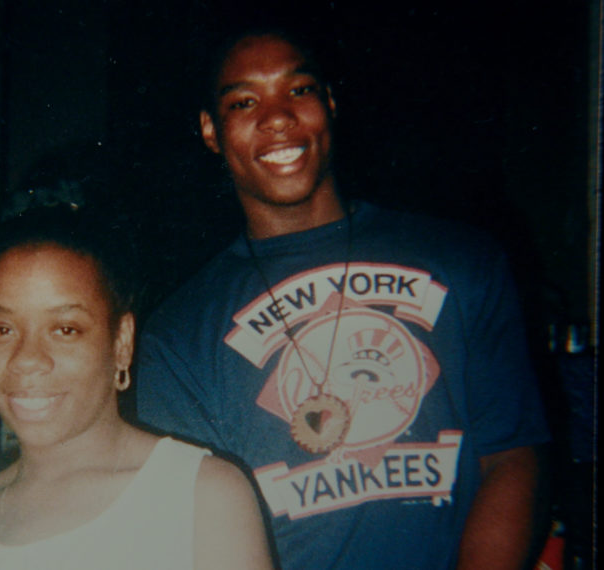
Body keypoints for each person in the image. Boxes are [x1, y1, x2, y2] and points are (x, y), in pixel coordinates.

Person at [135, 27, 551, 570]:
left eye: (299, 90)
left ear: (330, 104)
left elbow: (513, 455)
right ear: (212, 131)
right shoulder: (177, 335)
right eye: (244, 101)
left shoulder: (462, 260)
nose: (277, 117)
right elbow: (194, 533)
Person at [0, 204, 273, 570]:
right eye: (2, 329)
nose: (26, 358)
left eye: (65, 330)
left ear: (121, 343)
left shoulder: (200, 496)